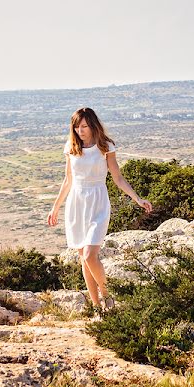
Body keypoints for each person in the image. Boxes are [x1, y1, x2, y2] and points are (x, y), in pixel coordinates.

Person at [46, 107, 153, 312]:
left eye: (84, 126)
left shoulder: (106, 146)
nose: (80, 130)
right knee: (83, 259)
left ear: (93, 125)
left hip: (98, 202)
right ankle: (97, 308)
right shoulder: (71, 147)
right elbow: (68, 180)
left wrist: (137, 199)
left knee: (89, 255)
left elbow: (118, 178)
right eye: (76, 126)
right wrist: (55, 208)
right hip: (76, 204)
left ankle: (108, 298)